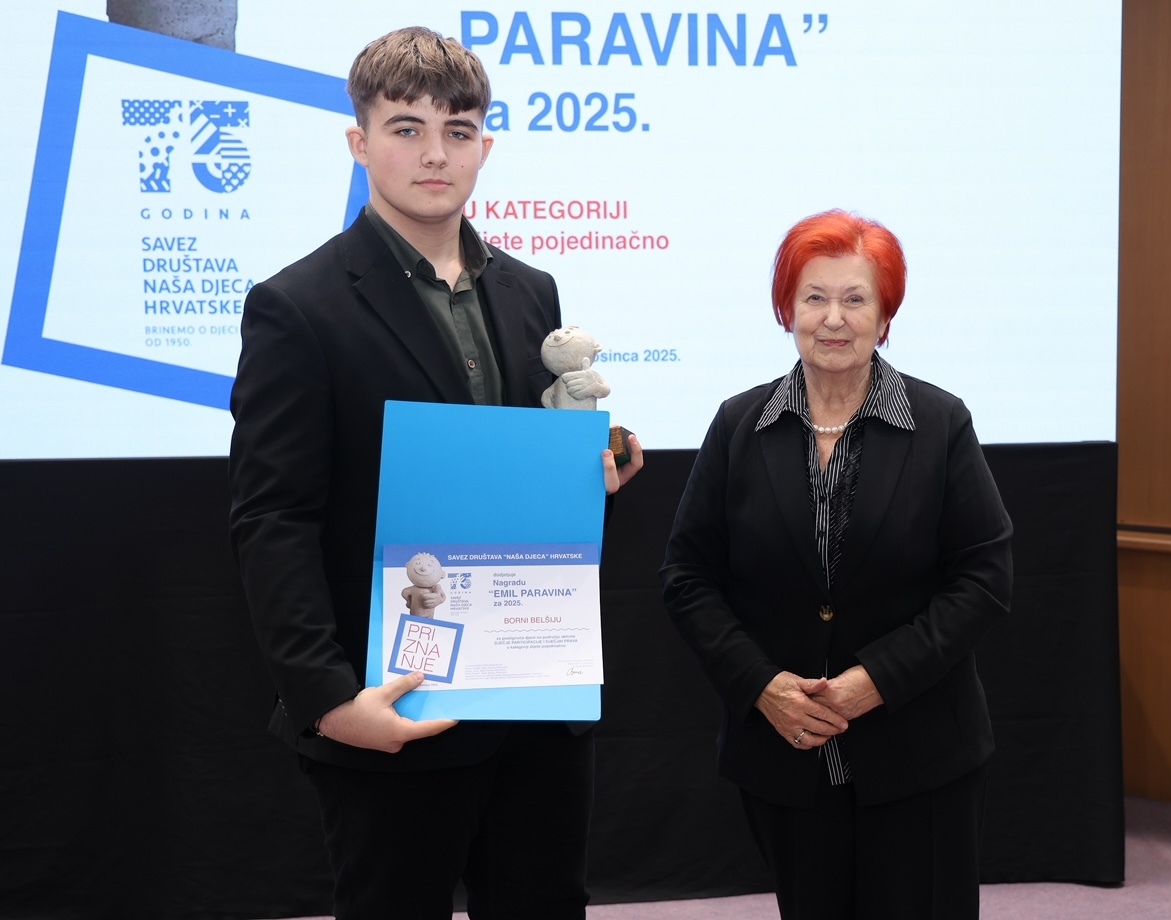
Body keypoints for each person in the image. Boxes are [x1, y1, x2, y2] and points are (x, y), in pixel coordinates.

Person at [228, 27, 641, 920]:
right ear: (359, 141)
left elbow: (520, 476)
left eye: (457, 131)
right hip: (391, 699)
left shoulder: (531, 291)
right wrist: (329, 702)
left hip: (533, 689)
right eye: (406, 128)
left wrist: (589, 469)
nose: (434, 154)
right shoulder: (296, 308)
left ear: (485, 146)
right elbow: (273, 520)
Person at [660, 210, 1011, 919]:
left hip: (919, 754)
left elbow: (983, 578)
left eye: (856, 299)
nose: (833, 319)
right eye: (814, 297)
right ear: (786, 309)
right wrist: (762, 686)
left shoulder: (941, 423)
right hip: (784, 754)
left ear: (885, 315)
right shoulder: (738, 424)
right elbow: (688, 578)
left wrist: (873, 682)